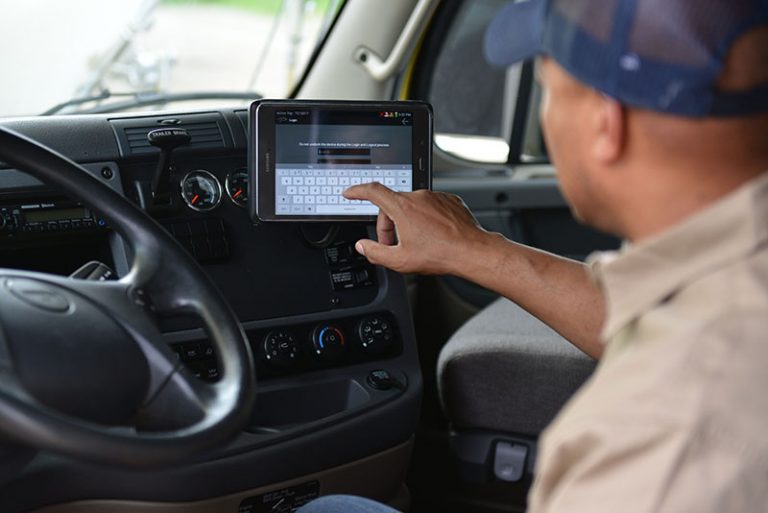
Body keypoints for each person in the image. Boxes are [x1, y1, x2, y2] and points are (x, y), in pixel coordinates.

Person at [300, 0, 768, 511]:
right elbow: (643, 310)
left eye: (547, 89)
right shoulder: (727, 270)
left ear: (606, 123)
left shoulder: (666, 448)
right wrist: (472, 249)